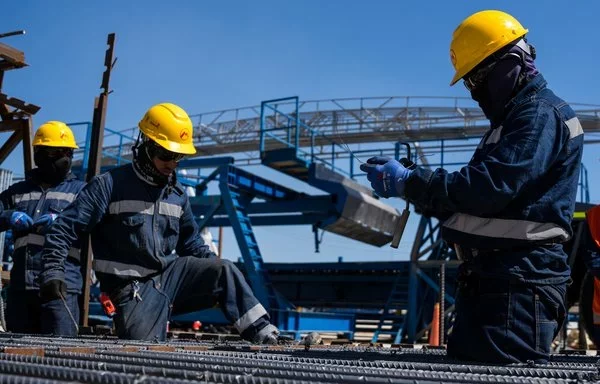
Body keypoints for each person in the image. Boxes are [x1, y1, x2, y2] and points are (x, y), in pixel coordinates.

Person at [360, 10, 584, 363]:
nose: (474, 90)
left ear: (511, 62)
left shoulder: (539, 115)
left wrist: (410, 181)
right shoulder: (511, 122)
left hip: (517, 287)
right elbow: (470, 201)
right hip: (496, 284)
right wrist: (412, 185)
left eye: (477, 77)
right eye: (468, 82)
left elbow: (490, 187)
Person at [40, 102, 281, 343]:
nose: (173, 163)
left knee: (224, 269)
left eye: (179, 157)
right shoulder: (108, 186)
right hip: (130, 291)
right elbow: (63, 230)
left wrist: (216, 276)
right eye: (167, 155)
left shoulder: (177, 195)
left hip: (170, 279)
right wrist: (53, 271)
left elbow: (192, 245)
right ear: (146, 146)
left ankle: (264, 335)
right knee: (143, 348)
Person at [0, 121, 84, 335]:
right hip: (21, 289)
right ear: (40, 154)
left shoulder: (81, 191)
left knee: (61, 358)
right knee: (17, 358)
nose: (65, 158)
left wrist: (64, 219)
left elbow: (94, 223)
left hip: (59, 289)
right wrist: (8, 215)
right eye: (56, 152)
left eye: (68, 152)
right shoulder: (17, 191)